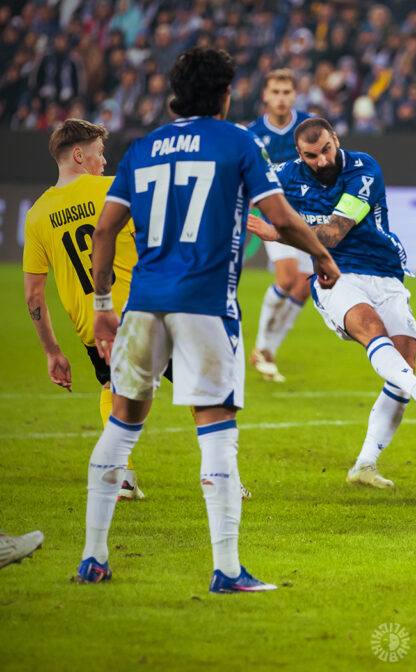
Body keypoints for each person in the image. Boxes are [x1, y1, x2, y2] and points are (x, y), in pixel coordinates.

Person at [76, 47, 340, 592]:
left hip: (143, 302)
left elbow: (104, 230)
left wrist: (102, 307)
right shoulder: (236, 141)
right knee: (217, 431)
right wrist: (321, 254)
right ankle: (227, 569)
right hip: (206, 304)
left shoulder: (143, 146)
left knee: (121, 426)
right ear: (226, 92)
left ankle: (93, 558)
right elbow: (280, 216)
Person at [246, 117, 416, 489]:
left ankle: (365, 464)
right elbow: (241, 191)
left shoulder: (363, 169)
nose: (322, 161)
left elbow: (332, 233)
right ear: (299, 154)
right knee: (372, 328)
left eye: (326, 150)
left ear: (336, 139)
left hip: (385, 272)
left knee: (404, 361)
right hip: (336, 274)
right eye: (311, 156)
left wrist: (276, 232)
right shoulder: (285, 176)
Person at [23, 119, 147, 501]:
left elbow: (33, 296)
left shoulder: (37, 215)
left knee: (112, 387)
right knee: (198, 384)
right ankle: (220, 476)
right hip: (142, 313)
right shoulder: (113, 188)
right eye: (99, 152)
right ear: (79, 154)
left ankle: (122, 476)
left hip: (94, 330)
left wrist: (52, 351)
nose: (104, 161)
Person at [247, 69, 316, 382]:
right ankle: (262, 345)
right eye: (275, 91)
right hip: (274, 215)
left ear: (294, 95)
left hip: (308, 216)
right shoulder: (251, 133)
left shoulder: (309, 126)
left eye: (286, 92)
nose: (281, 98)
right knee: (287, 278)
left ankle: (268, 349)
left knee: (304, 286)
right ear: (265, 95)